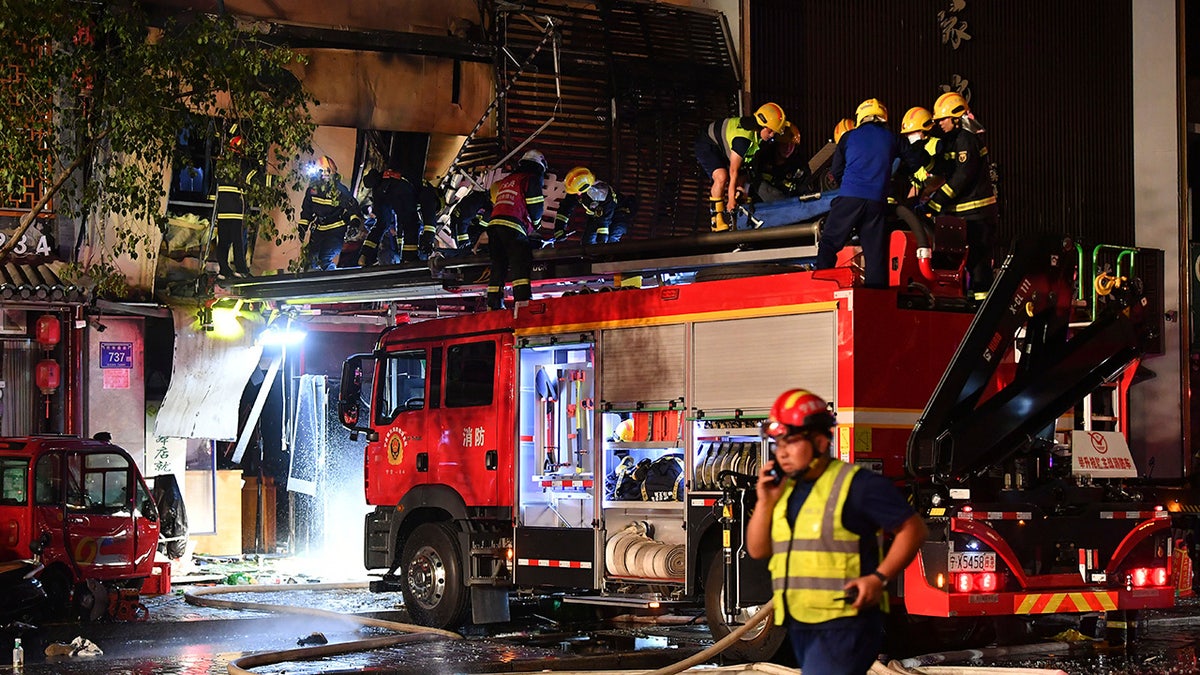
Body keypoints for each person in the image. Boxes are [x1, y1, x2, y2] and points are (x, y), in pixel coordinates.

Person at [746, 389, 927, 675]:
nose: (781, 451)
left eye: (791, 441)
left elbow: (913, 529)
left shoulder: (858, 486)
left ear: (819, 441)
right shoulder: (785, 490)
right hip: (801, 622)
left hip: (846, 624)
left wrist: (879, 578)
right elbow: (758, 550)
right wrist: (765, 502)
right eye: (778, 442)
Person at [815, 98, 901, 288]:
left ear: (860, 117)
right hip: (877, 202)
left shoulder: (849, 137)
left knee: (829, 242)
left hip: (850, 197)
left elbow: (836, 171)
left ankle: (822, 284)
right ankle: (877, 298)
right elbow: (912, 160)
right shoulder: (892, 138)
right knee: (874, 253)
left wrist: (847, 185)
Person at [924, 92, 999, 295]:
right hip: (961, 215)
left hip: (977, 214)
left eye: (943, 119)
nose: (940, 123)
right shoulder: (953, 140)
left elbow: (961, 176)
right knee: (955, 261)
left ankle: (980, 306)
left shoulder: (966, 140)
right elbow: (945, 169)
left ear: (956, 118)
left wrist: (937, 200)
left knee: (978, 265)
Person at [695, 102, 787, 231]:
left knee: (743, 179)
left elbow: (744, 169)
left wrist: (740, 191)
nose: (772, 135)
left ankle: (739, 217)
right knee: (721, 176)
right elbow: (733, 170)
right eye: (770, 131)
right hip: (707, 144)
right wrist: (731, 199)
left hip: (723, 148)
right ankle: (717, 219)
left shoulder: (758, 137)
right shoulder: (743, 139)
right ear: (762, 125)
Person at [484, 149, 547, 310]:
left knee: (499, 264)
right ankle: (523, 302)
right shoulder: (530, 179)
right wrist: (537, 225)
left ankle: (494, 302)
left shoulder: (508, 180)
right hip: (513, 225)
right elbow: (535, 205)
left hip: (494, 226)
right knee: (520, 263)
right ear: (539, 167)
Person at [298, 155, 363, 271]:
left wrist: (354, 224)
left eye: (326, 172)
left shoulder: (339, 191)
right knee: (309, 261)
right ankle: (312, 285)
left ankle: (333, 284)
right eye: (320, 172)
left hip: (335, 231)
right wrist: (302, 226)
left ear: (331, 173)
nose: (323, 175)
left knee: (324, 259)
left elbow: (353, 208)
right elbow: (307, 211)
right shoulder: (312, 190)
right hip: (318, 231)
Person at [212, 129, 257, 280]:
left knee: (223, 242)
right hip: (237, 210)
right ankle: (241, 270)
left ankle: (224, 270)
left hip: (223, 210)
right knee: (239, 242)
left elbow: (215, 188)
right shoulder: (241, 163)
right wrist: (273, 181)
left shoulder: (222, 164)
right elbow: (253, 178)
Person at [555, 166, 637, 245]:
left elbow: (604, 221)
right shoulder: (577, 188)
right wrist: (559, 229)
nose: (577, 194)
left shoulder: (601, 194)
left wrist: (601, 241)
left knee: (610, 242)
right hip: (598, 216)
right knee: (587, 244)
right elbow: (565, 208)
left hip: (619, 214)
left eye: (577, 192)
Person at [360, 163, 419, 266]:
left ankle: (365, 255)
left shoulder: (383, 175)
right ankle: (409, 258)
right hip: (398, 189)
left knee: (381, 224)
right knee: (410, 223)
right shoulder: (414, 187)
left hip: (379, 191)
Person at [749, 122, 813, 202]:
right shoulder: (762, 159)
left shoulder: (799, 166)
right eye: (784, 144)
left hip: (788, 209)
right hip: (761, 209)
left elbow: (806, 192)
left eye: (792, 145)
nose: (788, 148)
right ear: (777, 144)